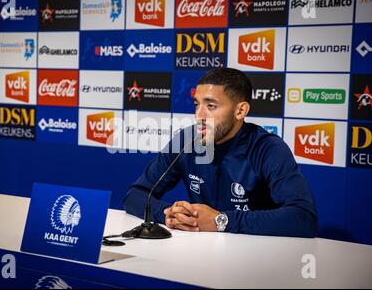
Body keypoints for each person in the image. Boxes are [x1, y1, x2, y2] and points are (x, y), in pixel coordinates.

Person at [123, 68, 317, 238]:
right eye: (197, 104)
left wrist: (221, 221)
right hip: (201, 254)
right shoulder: (186, 141)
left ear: (240, 111)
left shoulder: (268, 148)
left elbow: (303, 218)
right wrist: (167, 214)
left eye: (211, 106)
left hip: (258, 259)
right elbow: (135, 195)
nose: (199, 115)